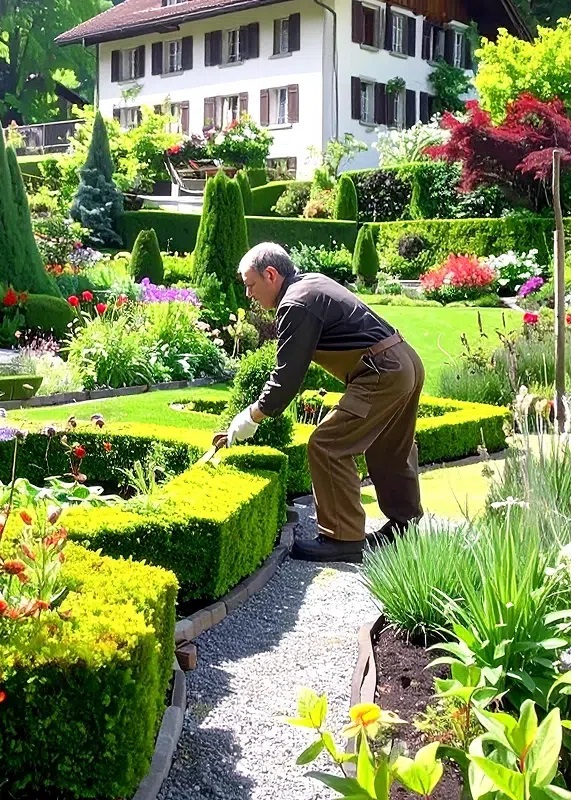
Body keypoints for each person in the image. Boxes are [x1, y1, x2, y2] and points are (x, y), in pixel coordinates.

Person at [227, 242, 425, 562]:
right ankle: (403, 525)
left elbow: (288, 375)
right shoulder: (312, 282)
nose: (248, 294)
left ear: (271, 275)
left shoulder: (295, 303)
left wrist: (252, 416)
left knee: (327, 444)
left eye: (250, 285)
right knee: (389, 446)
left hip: (381, 371)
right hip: (405, 361)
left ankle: (342, 539)